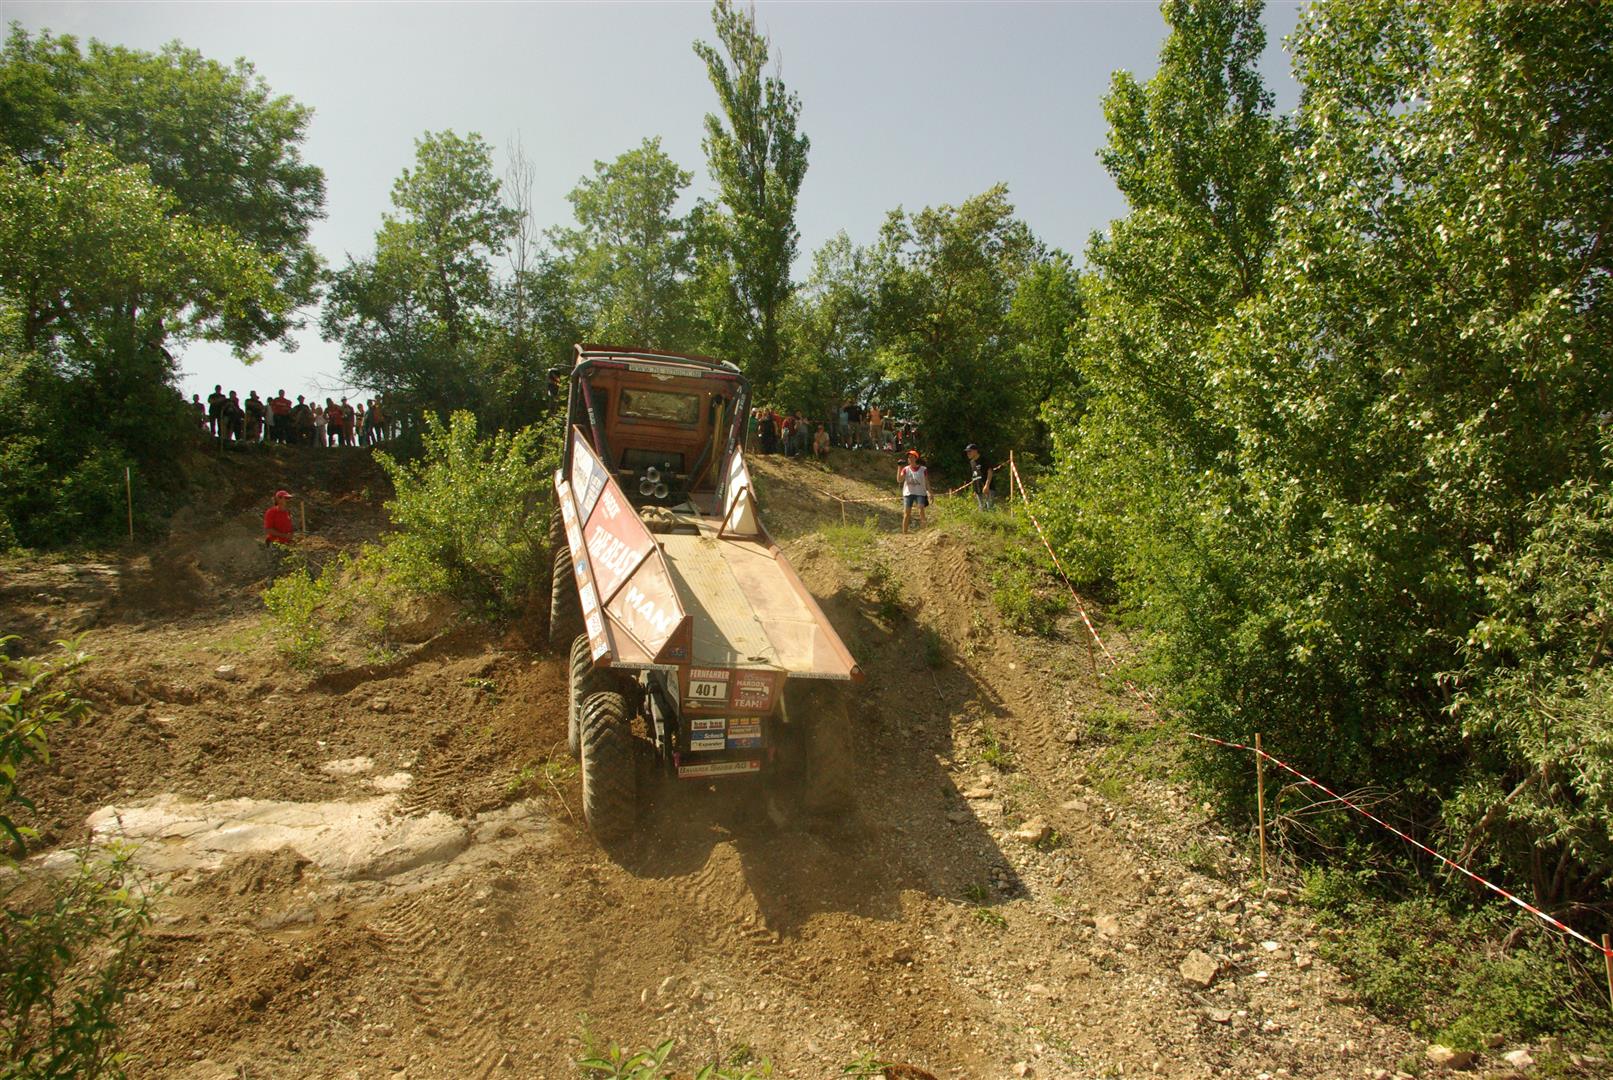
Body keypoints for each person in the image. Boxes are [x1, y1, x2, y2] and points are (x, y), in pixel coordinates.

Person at [899, 449, 930, 533]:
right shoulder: (905, 469)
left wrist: (930, 492)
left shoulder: (923, 469)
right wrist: (899, 467)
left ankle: (924, 530)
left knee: (921, 511)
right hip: (908, 493)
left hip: (920, 492)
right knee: (907, 513)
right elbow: (899, 480)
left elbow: (927, 481)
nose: (910, 459)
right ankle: (904, 532)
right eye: (909, 458)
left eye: (912, 457)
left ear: (916, 458)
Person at [965, 442, 994, 511]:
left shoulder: (984, 459)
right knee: (981, 509)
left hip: (987, 488)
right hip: (978, 490)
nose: (968, 453)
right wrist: (975, 490)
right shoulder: (972, 462)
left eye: (969, 451)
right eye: (967, 452)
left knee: (989, 509)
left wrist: (987, 485)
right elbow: (975, 476)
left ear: (975, 451)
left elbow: (990, 472)